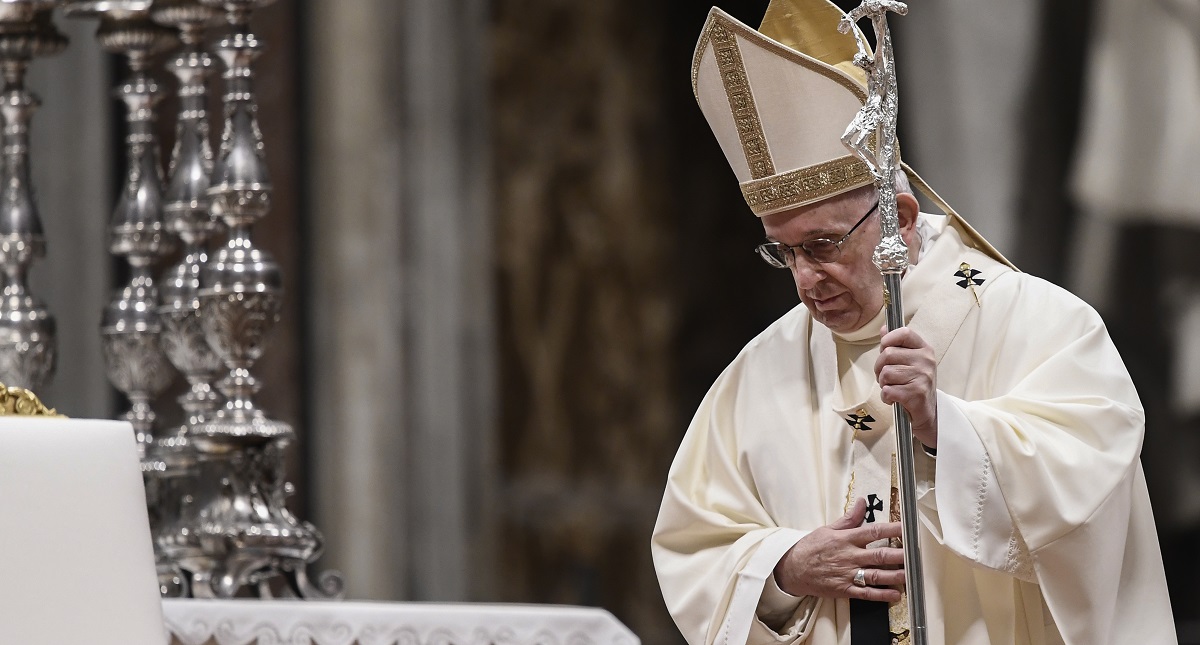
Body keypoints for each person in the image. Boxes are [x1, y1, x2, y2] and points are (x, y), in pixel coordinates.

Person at [651, 1, 1177, 644]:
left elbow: (1095, 476)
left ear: (898, 218)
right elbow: (693, 544)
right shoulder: (763, 368)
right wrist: (785, 567)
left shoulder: (1038, 321)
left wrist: (944, 429)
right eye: (784, 253)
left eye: (822, 246)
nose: (805, 279)